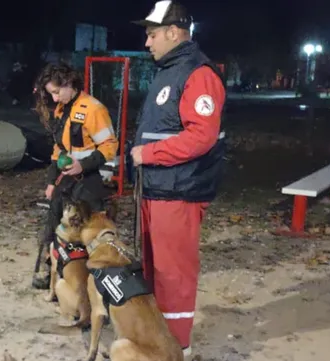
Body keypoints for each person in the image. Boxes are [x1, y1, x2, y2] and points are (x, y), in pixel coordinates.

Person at [129, 1, 227, 357]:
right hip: (158, 190)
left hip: (179, 192)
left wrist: (147, 154)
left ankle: (177, 348)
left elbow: (201, 136)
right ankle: (160, 341)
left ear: (174, 32)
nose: (146, 42)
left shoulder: (198, 74)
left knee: (174, 275)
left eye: (152, 34)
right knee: (156, 273)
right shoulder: (169, 71)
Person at [31, 62, 120, 289]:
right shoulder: (62, 109)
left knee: (87, 231)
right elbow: (59, 148)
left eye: (56, 91)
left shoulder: (93, 109)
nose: (54, 98)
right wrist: (52, 182)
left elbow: (110, 145)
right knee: (55, 224)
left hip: (90, 180)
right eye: (51, 93)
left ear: (69, 84)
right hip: (67, 178)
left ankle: (97, 284)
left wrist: (84, 165)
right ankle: (58, 273)